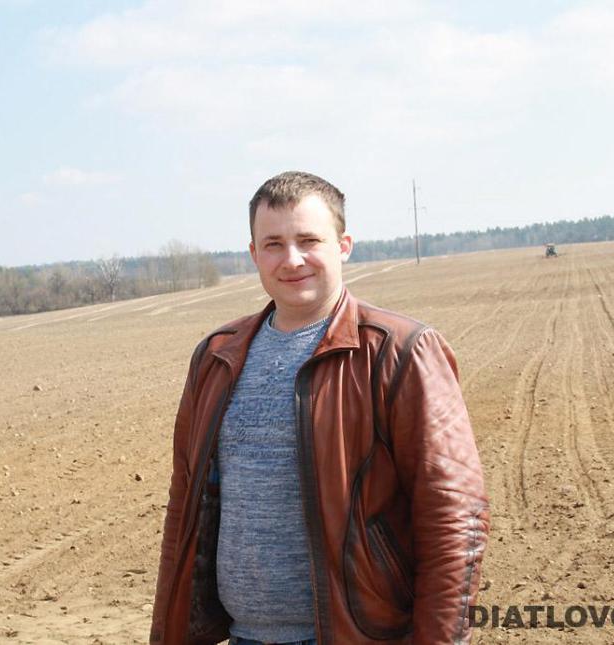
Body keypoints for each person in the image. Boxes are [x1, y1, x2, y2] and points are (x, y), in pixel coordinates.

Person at [150, 171, 489, 645]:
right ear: (253, 254)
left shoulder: (399, 352)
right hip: (245, 636)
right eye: (273, 244)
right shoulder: (216, 357)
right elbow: (185, 508)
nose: (292, 259)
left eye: (309, 240)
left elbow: (453, 517)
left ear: (343, 245)